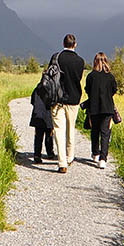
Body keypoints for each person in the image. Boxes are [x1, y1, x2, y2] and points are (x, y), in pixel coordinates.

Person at [50, 34, 85, 174]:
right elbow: (78, 79)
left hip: (57, 99)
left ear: (63, 43)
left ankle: (62, 162)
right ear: (75, 44)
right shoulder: (80, 61)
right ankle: (70, 157)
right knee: (71, 129)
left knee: (59, 130)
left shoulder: (56, 57)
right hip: (74, 99)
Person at [84, 51, 118, 170]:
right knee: (105, 133)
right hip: (107, 109)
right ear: (106, 62)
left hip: (94, 108)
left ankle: (95, 153)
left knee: (94, 131)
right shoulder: (110, 76)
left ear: (95, 62)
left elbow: (87, 90)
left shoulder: (91, 76)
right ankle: (103, 159)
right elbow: (114, 90)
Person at [29, 74, 54, 163]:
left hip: (37, 115)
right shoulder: (52, 89)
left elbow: (32, 101)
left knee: (38, 136)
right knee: (49, 135)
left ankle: (37, 155)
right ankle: (50, 153)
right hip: (48, 116)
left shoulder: (37, 89)